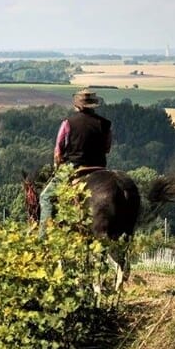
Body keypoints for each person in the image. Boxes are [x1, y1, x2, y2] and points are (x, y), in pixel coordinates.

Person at [38, 88, 112, 237]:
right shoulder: (105, 124)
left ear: (78, 105)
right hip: (99, 169)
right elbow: (107, 148)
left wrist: (58, 168)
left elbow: (58, 152)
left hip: (74, 168)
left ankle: (43, 238)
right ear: (94, 105)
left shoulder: (68, 123)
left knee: (45, 197)